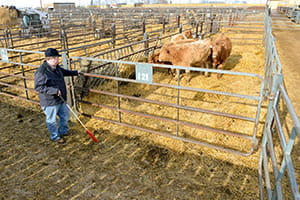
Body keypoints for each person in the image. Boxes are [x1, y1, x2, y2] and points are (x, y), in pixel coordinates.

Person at [34, 48, 81, 144]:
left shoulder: (56, 67)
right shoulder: (42, 72)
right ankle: (55, 137)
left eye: (57, 57)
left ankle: (63, 132)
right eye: (55, 58)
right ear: (48, 59)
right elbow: (38, 87)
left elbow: (63, 72)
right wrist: (54, 91)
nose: (57, 59)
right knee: (52, 120)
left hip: (61, 99)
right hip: (50, 101)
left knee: (65, 115)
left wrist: (75, 72)